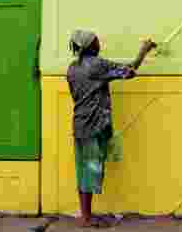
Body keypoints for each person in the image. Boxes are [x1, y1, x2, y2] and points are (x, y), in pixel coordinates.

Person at [67, 30, 157, 228]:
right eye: (97, 41)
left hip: (81, 124)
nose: (100, 44)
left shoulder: (72, 68)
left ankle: (85, 214)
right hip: (94, 125)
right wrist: (144, 51)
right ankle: (86, 218)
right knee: (90, 169)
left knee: (84, 169)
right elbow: (129, 71)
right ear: (90, 46)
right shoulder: (96, 65)